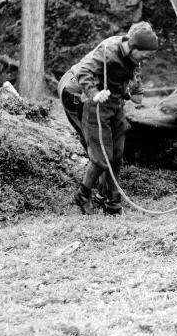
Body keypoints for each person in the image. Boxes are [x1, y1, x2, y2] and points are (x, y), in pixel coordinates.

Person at [58, 22, 158, 215]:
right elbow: (83, 72)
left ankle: (110, 198)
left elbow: (135, 91)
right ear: (135, 46)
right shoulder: (108, 50)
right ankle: (83, 195)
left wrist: (134, 90)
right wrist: (94, 93)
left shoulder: (134, 57)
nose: (147, 59)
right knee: (100, 154)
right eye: (146, 55)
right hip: (83, 97)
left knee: (117, 153)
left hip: (112, 103)